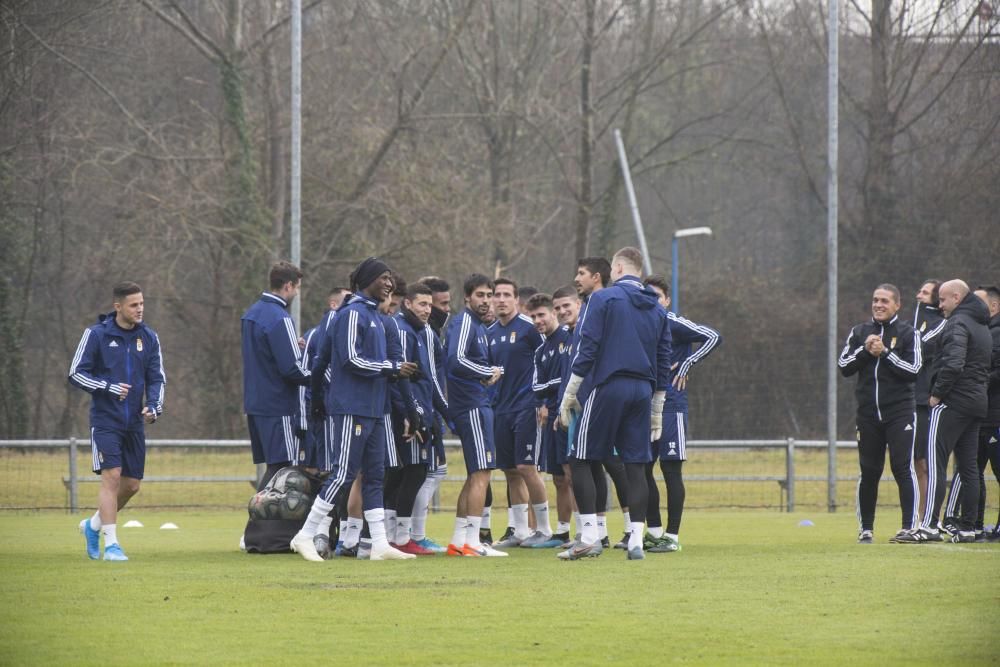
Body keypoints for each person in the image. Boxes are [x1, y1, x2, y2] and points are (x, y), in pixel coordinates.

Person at [290, 257, 419, 561]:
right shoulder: (350, 315)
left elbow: (396, 367)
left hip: (374, 409)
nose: (389, 283)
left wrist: (410, 409)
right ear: (367, 280)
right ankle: (305, 535)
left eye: (390, 278)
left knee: (375, 476)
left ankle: (379, 544)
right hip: (351, 407)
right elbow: (349, 359)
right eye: (383, 278)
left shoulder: (382, 319)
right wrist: (391, 368)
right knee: (343, 473)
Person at [558, 247, 672, 560]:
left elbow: (589, 346)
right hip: (643, 391)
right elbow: (664, 359)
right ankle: (636, 540)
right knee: (635, 466)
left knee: (580, 457)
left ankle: (590, 537)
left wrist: (570, 392)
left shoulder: (603, 299)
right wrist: (658, 407)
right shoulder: (657, 308)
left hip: (608, 386)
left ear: (618, 268)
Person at [70, 281, 166, 561]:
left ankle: (93, 525)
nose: (140, 309)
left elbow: (157, 377)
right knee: (111, 478)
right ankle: (111, 545)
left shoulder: (148, 337)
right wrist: (108, 387)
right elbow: (76, 373)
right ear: (118, 307)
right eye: (134, 305)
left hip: (134, 423)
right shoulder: (96, 335)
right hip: (105, 420)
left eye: (142, 304)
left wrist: (154, 407)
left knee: (131, 485)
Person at [905, 280, 992, 543]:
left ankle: (929, 524)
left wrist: (936, 394)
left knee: (935, 462)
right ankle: (967, 527)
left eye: (942, 300)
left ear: (956, 297)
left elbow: (954, 364)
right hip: (977, 404)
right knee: (969, 468)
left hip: (952, 402)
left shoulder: (958, 323)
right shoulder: (982, 325)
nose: (939, 305)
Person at [642, 275, 722, 553]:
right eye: (647, 296)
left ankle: (672, 536)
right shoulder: (641, 326)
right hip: (644, 406)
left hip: (671, 406)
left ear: (666, 301)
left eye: (656, 297)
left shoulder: (673, 322)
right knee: (641, 469)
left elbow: (713, 336)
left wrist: (687, 362)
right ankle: (653, 532)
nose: (652, 302)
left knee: (670, 470)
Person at [837, 284, 922, 544]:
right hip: (867, 415)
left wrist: (885, 353)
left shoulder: (909, 333)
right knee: (869, 470)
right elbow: (844, 366)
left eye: (885, 301)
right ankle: (866, 529)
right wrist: (865, 350)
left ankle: (909, 527)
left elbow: (914, 370)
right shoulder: (859, 332)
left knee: (902, 467)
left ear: (897, 304)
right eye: (875, 300)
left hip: (899, 413)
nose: (879, 305)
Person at [488, 278, 555, 549]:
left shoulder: (529, 330)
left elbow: (548, 359)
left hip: (527, 407)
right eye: (497, 295)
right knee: (510, 471)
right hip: (499, 410)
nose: (501, 299)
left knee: (528, 467)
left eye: (507, 295)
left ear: (517, 300)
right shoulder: (489, 332)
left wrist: (545, 402)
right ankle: (521, 530)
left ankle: (545, 529)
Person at [444, 274, 507, 557]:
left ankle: (459, 541)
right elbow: (455, 360)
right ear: (467, 297)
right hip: (471, 406)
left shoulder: (478, 326)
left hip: (476, 403)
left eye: (488, 295)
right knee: (482, 473)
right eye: (480, 295)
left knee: (474, 475)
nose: (485, 300)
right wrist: (486, 373)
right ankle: (473, 541)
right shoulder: (465, 323)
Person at [241, 261, 311, 494]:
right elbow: (291, 369)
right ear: (288, 286)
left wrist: (293, 347)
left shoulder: (252, 313)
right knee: (282, 468)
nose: (297, 293)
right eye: (298, 288)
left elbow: (265, 354)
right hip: (277, 404)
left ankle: (259, 528)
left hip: (256, 402)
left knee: (275, 465)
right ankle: (255, 527)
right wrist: (318, 379)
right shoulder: (280, 317)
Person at [939, 285, 1000, 540]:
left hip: (990, 413)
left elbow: (984, 370)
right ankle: (972, 524)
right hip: (982, 409)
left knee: (972, 468)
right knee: (972, 468)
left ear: (993, 306)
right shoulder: (984, 329)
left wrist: (971, 386)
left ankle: (949, 521)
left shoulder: (986, 331)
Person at [528, 292, 575, 545]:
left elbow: (567, 379)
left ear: (553, 313)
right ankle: (562, 531)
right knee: (558, 478)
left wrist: (549, 390)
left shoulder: (568, 340)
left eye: (541, 314)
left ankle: (588, 531)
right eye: (533, 316)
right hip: (550, 415)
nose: (537, 320)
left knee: (572, 474)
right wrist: (545, 399)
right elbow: (535, 387)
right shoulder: (540, 350)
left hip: (567, 413)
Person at [911, 279, 945, 520]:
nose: (919, 296)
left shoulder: (940, 324)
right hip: (908, 399)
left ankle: (928, 514)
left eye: (925, 293)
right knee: (913, 461)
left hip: (925, 401)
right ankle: (916, 514)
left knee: (924, 461)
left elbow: (919, 347)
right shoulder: (915, 321)